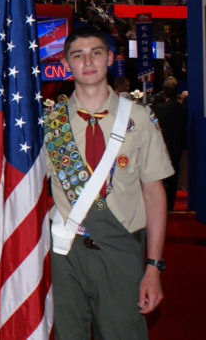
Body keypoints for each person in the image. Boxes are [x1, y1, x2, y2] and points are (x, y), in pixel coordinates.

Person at [44, 26, 172, 339]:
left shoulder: (140, 118)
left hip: (121, 248)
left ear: (110, 59)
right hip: (66, 254)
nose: (87, 61)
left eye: (96, 53)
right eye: (78, 55)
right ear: (66, 63)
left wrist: (153, 266)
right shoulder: (49, 124)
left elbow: (155, 195)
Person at [153, 77, 187, 210]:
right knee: (173, 178)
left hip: (160, 149)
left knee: (160, 178)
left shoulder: (158, 109)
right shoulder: (182, 109)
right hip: (176, 148)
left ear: (164, 92)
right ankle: (170, 206)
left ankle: (159, 206)